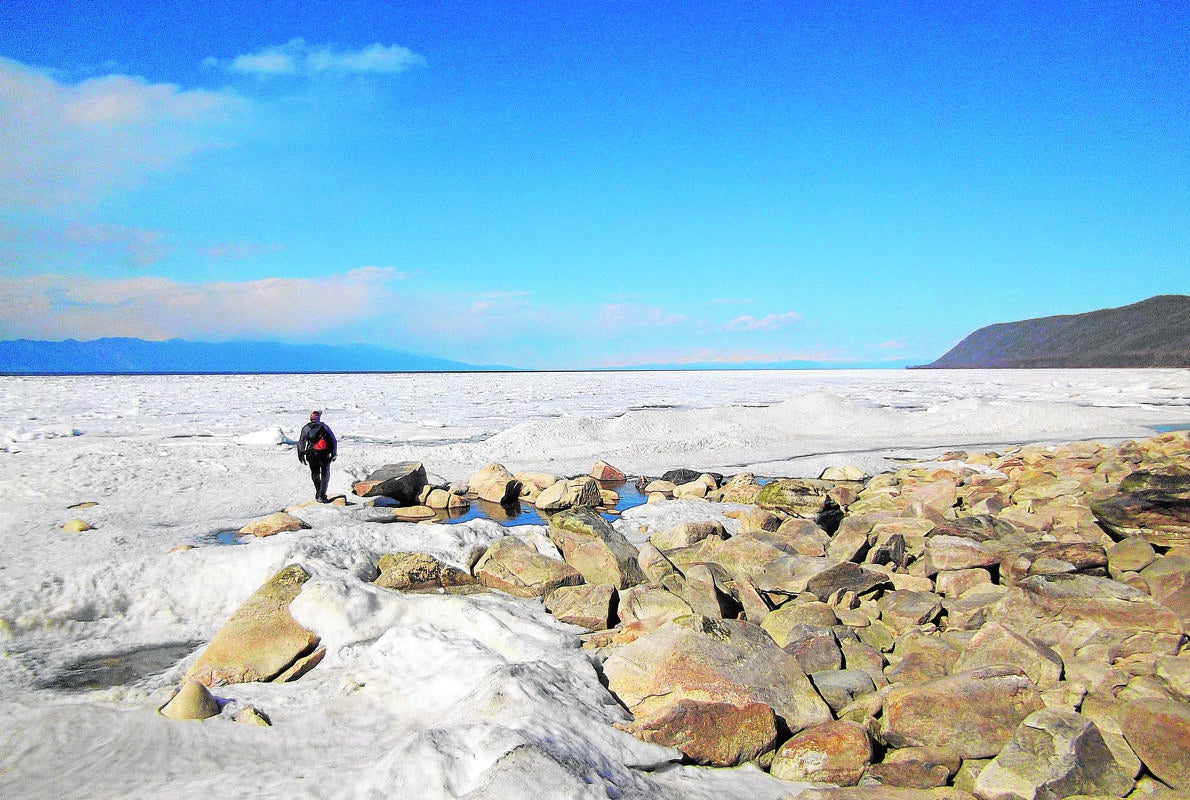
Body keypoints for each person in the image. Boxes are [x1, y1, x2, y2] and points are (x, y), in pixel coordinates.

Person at [297, 410, 337, 503]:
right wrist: (334, 453)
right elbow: (333, 440)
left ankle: (318, 493)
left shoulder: (306, 428)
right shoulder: (324, 427)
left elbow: (301, 442)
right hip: (324, 454)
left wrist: (301, 454)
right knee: (325, 475)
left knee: (315, 474)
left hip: (311, 454)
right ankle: (321, 495)